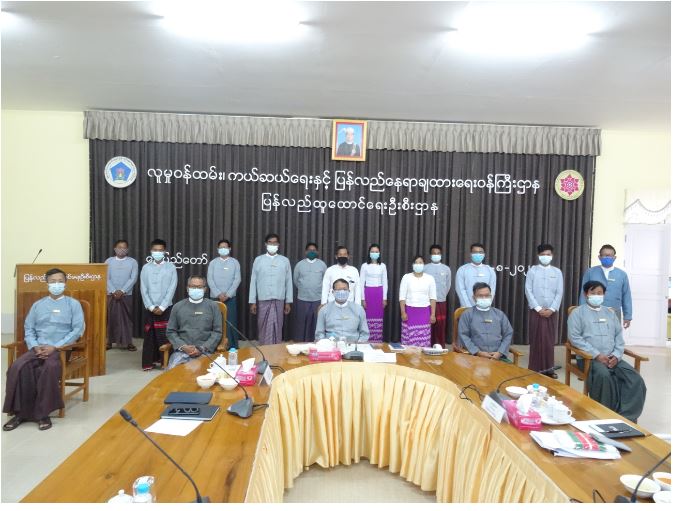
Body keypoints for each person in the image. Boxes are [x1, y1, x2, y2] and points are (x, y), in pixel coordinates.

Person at [3, 268, 84, 431]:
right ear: (46, 283)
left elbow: (77, 330)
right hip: (37, 348)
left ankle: (43, 414)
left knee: (48, 368)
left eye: (60, 281)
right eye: (53, 281)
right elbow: (29, 328)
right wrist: (34, 346)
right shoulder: (38, 305)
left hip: (60, 349)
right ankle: (21, 414)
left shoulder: (73, 304)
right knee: (18, 367)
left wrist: (55, 347)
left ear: (65, 283)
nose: (56, 284)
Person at [568, 281, 646, 422]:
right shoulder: (577, 313)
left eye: (599, 293)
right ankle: (605, 416)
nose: (596, 296)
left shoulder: (610, 313)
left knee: (635, 379)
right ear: (586, 294)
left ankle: (626, 418)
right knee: (604, 377)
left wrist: (616, 355)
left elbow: (619, 337)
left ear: (604, 295)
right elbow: (575, 338)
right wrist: (596, 355)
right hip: (589, 358)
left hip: (613, 358)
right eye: (593, 293)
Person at [165, 276, 223, 370]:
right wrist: (183, 347)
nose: (196, 289)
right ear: (187, 288)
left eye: (199, 287)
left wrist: (202, 348)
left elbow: (217, 332)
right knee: (172, 376)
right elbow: (171, 331)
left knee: (209, 375)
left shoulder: (213, 306)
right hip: (182, 352)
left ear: (205, 289)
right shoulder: (177, 306)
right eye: (193, 287)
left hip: (205, 351)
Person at [525, 243, 564, 377]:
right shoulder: (532, 271)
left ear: (552, 256)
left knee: (549, 341)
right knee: (536, 339)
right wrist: (537, 308)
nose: (545, 257)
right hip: (536, 311)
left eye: (548, 254)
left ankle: (549, 369)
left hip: (551, 312)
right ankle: (534, 368)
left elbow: (559, 292)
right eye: (543, 254)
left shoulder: (557, 272)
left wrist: (552, 309)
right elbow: (528, 290)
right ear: (538, 256)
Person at [139, 239, 178, 371]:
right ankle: (149, 362)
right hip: (150, 307)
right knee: (150, 336)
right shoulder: (146, 268)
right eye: (155, 250)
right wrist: (151, 306)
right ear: (151, 251)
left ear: (165, 252)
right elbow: (143, 288)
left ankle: (165, 362)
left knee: (165, 335)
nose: (157, 252)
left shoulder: (171, 267)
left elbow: (172, 288)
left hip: (165, 307)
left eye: (160, 250)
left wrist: (162, 307)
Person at [249, 233, 293, 344]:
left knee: (278, 326)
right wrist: (252, 301)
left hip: (279, 299)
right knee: (263, 326)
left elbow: (289, 282)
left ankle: (276, 348)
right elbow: (253, 282)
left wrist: (288, 302)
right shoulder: (258, 260)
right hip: (263, 299)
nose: (272, 245)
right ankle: (264, 348)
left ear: (278, 244)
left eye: (275, 242)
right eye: (270, 242)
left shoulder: (284, 260)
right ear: (266, 244)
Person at [579, 244, 633, 329]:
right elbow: (583, 293)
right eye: (604, 255)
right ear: (599, 257)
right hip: (593, 312)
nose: (607, 257)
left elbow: (626, 296)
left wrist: (627, 316)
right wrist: (582, 312)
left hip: (614, 313)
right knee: (593, 335)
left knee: (613, 335)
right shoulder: (590, 272)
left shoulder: (622, 275)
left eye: (610, 255)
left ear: (614, 258)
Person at [458, 282, 513, 361]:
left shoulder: (499, 314)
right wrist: (478, 352)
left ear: (491, 296)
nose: (484, 298)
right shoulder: (467, 314)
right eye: (480, 296)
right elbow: (463, 336)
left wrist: (500, 352)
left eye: (487, 296)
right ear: (474, 298)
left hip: (498, 357)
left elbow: (508, 334)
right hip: (474, 357)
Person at [207, 239, 241, 349]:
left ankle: (232, 347)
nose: (223, 249)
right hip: (215, 298)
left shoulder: (235, 262)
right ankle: (215, 346)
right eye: (221, 247)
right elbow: (210, 279)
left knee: (230, 323)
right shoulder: (213, 263)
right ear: (218, 249)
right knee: (215, 322)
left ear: (229, 249)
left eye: (225, 247)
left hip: (230, 298)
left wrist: (228, 294)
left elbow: (237, 279)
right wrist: (218, 294)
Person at [105, 239, 139, 351]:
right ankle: (109, 341)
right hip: (111, 294)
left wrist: (122, 291)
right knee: (111, 318)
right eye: (119, 247)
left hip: (126, 295)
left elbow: (133, 278)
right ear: (115, 248)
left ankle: (128, 342)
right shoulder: (108, 261)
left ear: (127, 249)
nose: (122, 250)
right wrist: (113, 291)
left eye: (124, 248)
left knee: (126, 319)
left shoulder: (132, 262)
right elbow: (106, 277)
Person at [399, 255, 437, 347]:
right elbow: (402, 297)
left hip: (424, 312)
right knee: (409, 341)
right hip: (410, 312)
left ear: (424, 265)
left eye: (420, 262)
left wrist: (433, 314)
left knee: (424, 340)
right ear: (413, 265)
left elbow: (433, 298)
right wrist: (403, 312)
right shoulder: (406, 277)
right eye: (416, 263)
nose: (418, 264)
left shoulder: (430, 278)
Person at [293, 242, 327, 342]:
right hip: (302, 298)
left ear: (317, 252)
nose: (311, 252)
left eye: (314, 250)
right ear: (305, 252)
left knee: (317, 322)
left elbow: (326, 281)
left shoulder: (322, 265)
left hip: (318, 299)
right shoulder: (299, 265)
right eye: (309, 250)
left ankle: (316, 342)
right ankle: (301, 342)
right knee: (301, 322)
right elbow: (295, 280)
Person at [424, 244, 451, 347]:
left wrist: (442, 295)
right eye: (434, 253)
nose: (436, 255)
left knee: (440, 325)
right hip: (427, 302)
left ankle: (440, 346)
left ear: (441, 255)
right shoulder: (425, 268)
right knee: (428, 324)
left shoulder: (446, 269)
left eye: (438, 253)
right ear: (430, 255)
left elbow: (448, 285)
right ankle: (427, 345)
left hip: (441, 301)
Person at [359, 243, 388, 342]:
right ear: (369, 253)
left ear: (379, 253)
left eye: (376, 252)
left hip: (379, 293)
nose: (374, 253)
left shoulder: (382, 266)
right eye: (372, 251)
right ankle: (366, 340)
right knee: (367, 317)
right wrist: (362, 299)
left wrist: (384, 298)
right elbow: (361, 283)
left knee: (378, 317)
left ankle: (377, 340)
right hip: (368, 293)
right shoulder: (364, 266)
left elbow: (385, 282)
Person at [455, 243, 497, 307]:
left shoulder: (490, 270)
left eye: (480, 252)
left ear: (484, 254)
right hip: (467, 307)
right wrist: (468, 307)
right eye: (475, 252)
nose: (478, 254)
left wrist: (486, 304)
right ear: (470, 254)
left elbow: (492, 290)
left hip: (485, 306)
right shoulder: (462, 269)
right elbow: (460, 290)